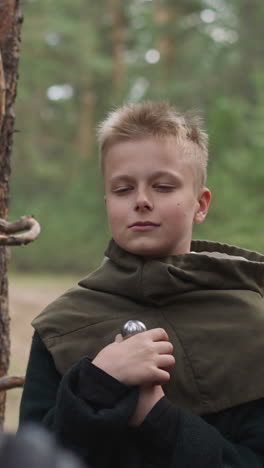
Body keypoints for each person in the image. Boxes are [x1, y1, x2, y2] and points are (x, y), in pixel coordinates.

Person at [19, 101, 264, 467]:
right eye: (123, 189)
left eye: (163, 186)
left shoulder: (253, 324)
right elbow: (33, 457)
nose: (142, 201)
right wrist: (98, 384)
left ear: (200, 203)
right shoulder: (62, 326)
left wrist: (157, 417)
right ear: (107, 204)